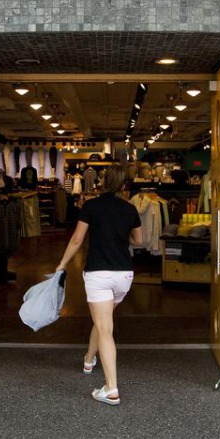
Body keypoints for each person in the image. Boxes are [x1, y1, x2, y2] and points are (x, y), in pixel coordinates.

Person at [55, 163, 143, 406]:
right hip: (123, 275)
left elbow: (76, 239)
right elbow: (139, 240)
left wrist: (62, 263)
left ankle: (111, 388)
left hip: (99, 274)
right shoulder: (130, 209)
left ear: (103, 182)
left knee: (104, 327)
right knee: (103, 321)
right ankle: (88, 358)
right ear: (125, 185)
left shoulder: (91, 206)